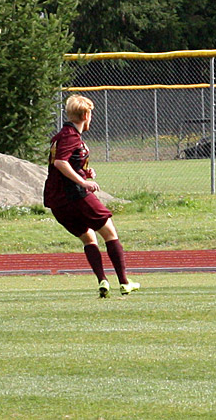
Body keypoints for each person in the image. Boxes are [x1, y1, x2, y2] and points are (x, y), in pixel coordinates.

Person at [43, 95, 140, 298]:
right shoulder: (70, 136)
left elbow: (66, 162)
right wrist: (83, 182)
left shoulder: (61, 136)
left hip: (58, 202)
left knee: (89, 238)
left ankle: (102, 281)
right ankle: (124, 282)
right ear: (86, 115)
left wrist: (85, 172)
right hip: (75, 196)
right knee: (110, 233)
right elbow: (61, 163)